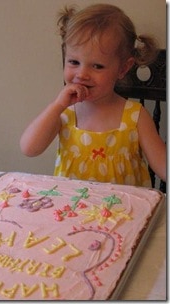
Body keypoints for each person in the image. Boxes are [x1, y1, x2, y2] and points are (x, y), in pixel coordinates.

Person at [20, 3, 166, 187]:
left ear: (123, 68)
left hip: (124, 211)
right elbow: (29, 148)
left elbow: (162, 167)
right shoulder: (64, 113)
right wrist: (56, 106)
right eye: (74, 62)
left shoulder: (135, 116)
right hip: (73, 210)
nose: (82, 74)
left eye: (97, 66)